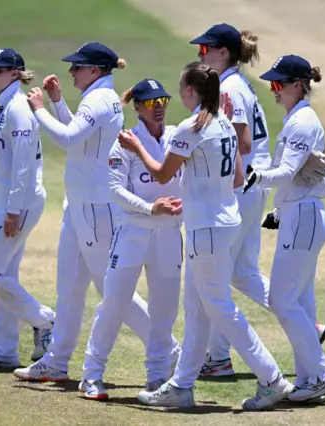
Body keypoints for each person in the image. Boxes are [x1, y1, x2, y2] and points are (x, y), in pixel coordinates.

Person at [120, 62, 292, 411]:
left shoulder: (191, 126)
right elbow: (236, 180)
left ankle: (272, 379)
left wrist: (137, 147)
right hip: (224, 223)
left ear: (189, 92)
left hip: (207, 230)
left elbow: (162, 171)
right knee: (197, 308)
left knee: (220, 309)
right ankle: (181, 386)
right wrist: (202, 188)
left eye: (181, 86)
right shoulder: (224, 122)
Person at [14, 43, 176, 382]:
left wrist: (40, 109)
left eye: (78, 67)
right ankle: (57, 359)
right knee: (69, 287)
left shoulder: (99, 99)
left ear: (96, 70)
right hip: (80, 204)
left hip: (95, 206)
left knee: (113, 289)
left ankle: (168, 348)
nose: (72, 72)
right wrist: (57, 102)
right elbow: (82, 137)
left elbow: (69, 139)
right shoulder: (102, 97)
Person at [191, 23, 325, 377]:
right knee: (240, 272)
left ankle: (218, 357)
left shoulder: (229, 87)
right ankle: (306, 330)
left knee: (212, 278)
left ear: (223, 53)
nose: (199, 54)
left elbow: (242, 143)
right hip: (255, 191)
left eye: (205, 49)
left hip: (242, 189)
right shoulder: (239, 84)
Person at [243, 54, 325, 402]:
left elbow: (285, 172)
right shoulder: (297, 119)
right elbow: (296, 175)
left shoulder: (302, 122)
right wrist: (279, 210)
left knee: (282, 300)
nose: (274, 90)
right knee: (301, 300)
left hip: (305, 217)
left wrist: (256, 178)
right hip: (300, 215)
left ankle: (322, 371)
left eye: (279, 84)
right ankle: (309, 379)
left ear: (298, 85)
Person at [79, 79, 183, 400]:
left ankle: (155, 377)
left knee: (164, 307)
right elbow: (116, 191)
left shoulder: (177, 137)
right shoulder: (124, 142)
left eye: (163, 100)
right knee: (115, 303)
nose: (159, 107)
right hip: (132, 233)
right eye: (152, 103)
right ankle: (92, 375)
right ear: (137, 107)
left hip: (169, 234)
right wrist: (151, 208)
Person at [0, 48, 55, 369]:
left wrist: (13, 210)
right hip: (7, 202)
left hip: (21, 203)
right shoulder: (5, 106)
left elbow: (22, 166)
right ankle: (5, 349)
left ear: (15, 72)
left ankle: (45, 321)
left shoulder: (18, 108)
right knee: (4, 274)